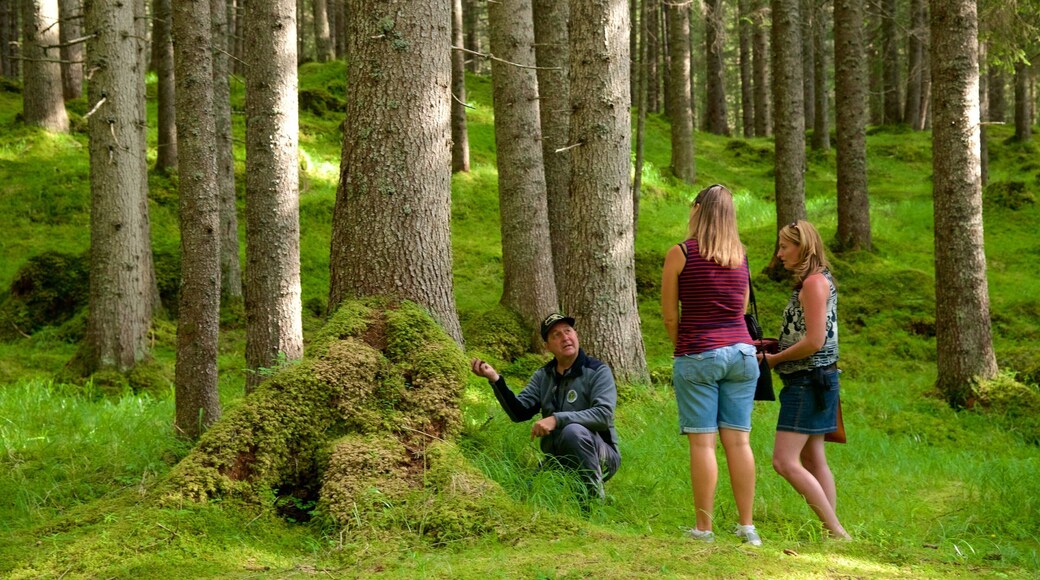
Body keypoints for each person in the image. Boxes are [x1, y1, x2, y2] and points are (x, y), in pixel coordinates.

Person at [660, 184, 762, 546]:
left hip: (699, 352)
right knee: (739, 443)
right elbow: (742, 309)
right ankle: (747, 527)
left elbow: (670, 317)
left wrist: (687, 348)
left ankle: (704, 529)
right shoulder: (741, 257)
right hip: (743, 356)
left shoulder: (681, 253)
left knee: (703, 445)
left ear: (698, 209)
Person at [470, 313, 620, 507]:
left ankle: (591, 502)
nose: (565, 337)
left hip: (603, 455)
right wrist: (495, 379)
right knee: (529, 496)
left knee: (573, 431)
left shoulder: (598, 371)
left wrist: (556, 419)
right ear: (547, 347)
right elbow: (519, 412)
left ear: (576, 335)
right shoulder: (544, 376)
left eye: (568, 331)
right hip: (558, 457)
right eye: (556, 335)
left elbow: (604, 415)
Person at [762, 220, 851, 540]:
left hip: (808, 380)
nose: (780, 253)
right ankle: (833, 532)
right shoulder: (816, 281)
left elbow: (814, 341)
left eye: (785, 246)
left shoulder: (814, 283)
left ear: (805, 247)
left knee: (784, 461)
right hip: (817, 379)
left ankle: (837, 531)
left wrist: (775, 359)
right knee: (813, 457)